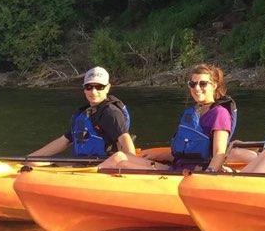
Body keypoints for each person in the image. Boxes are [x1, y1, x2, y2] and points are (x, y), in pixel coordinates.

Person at [101, 64, 237, 172]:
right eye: (192, 84)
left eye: (203, 84)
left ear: (214, 86)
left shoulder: (220, 113)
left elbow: (219, 153)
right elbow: (180, 152)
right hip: (176, 169)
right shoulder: (190, 113)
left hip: (193, 173)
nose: (197, 88)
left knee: (123, 164)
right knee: (119, 157)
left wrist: (209, 174)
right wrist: (157, 156)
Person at [29, 66, 137, 160]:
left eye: (99, 87)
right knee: (37, 162)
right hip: (83, 164)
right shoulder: (84, 114)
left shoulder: (111, 113)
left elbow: (125, 139)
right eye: (89, 87)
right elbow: (64, 140)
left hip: (104, 166)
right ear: (84, 89)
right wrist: (30, 157)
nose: (93, 92)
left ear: (107, 88)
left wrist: (131, 164)